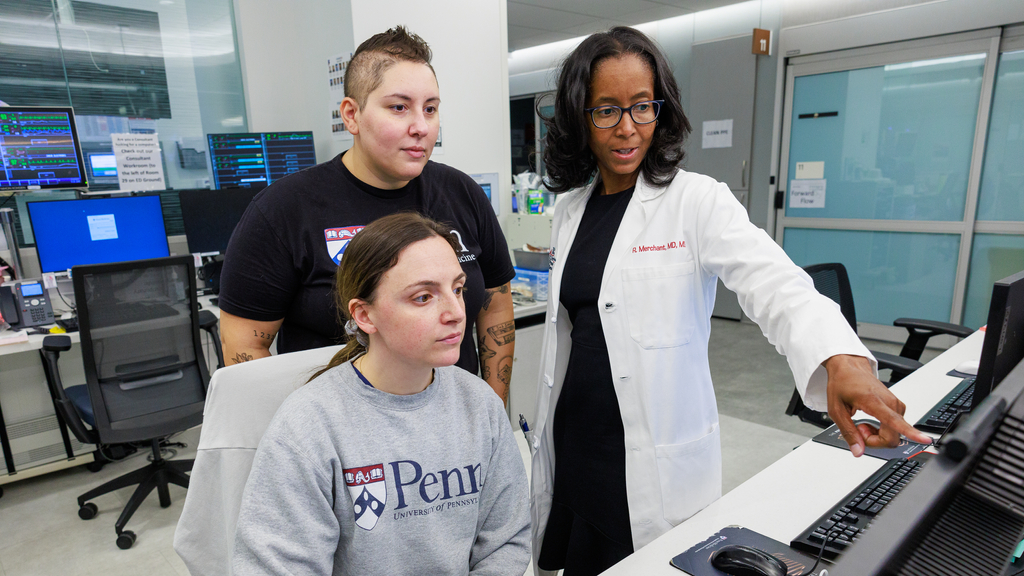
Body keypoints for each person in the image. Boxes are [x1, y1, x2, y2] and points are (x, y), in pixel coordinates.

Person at [529, 27, 933, 575]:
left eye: (642, 107)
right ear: (581, 116)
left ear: (661, 108)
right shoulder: (570, 210)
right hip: (576, 444)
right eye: (606, 111)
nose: (627, 128)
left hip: (650, 462)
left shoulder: (696, 201)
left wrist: (841, 359)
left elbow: (777, 284)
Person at [218, 26, 516, 402]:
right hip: (340, 441)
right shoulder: (284, 210)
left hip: (453, 427)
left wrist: (492, 410)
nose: (421, 127)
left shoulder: (462, 194)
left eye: (430, 108)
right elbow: (243, 348)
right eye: (399, 107)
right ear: (352, 115)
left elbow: (496, 308)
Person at [232, 212, 531, 575]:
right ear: (365, 315)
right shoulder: (308, 427)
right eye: (423, 297)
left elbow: (507, 539)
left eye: (458, 289)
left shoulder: (479, 404)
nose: (456, 313)